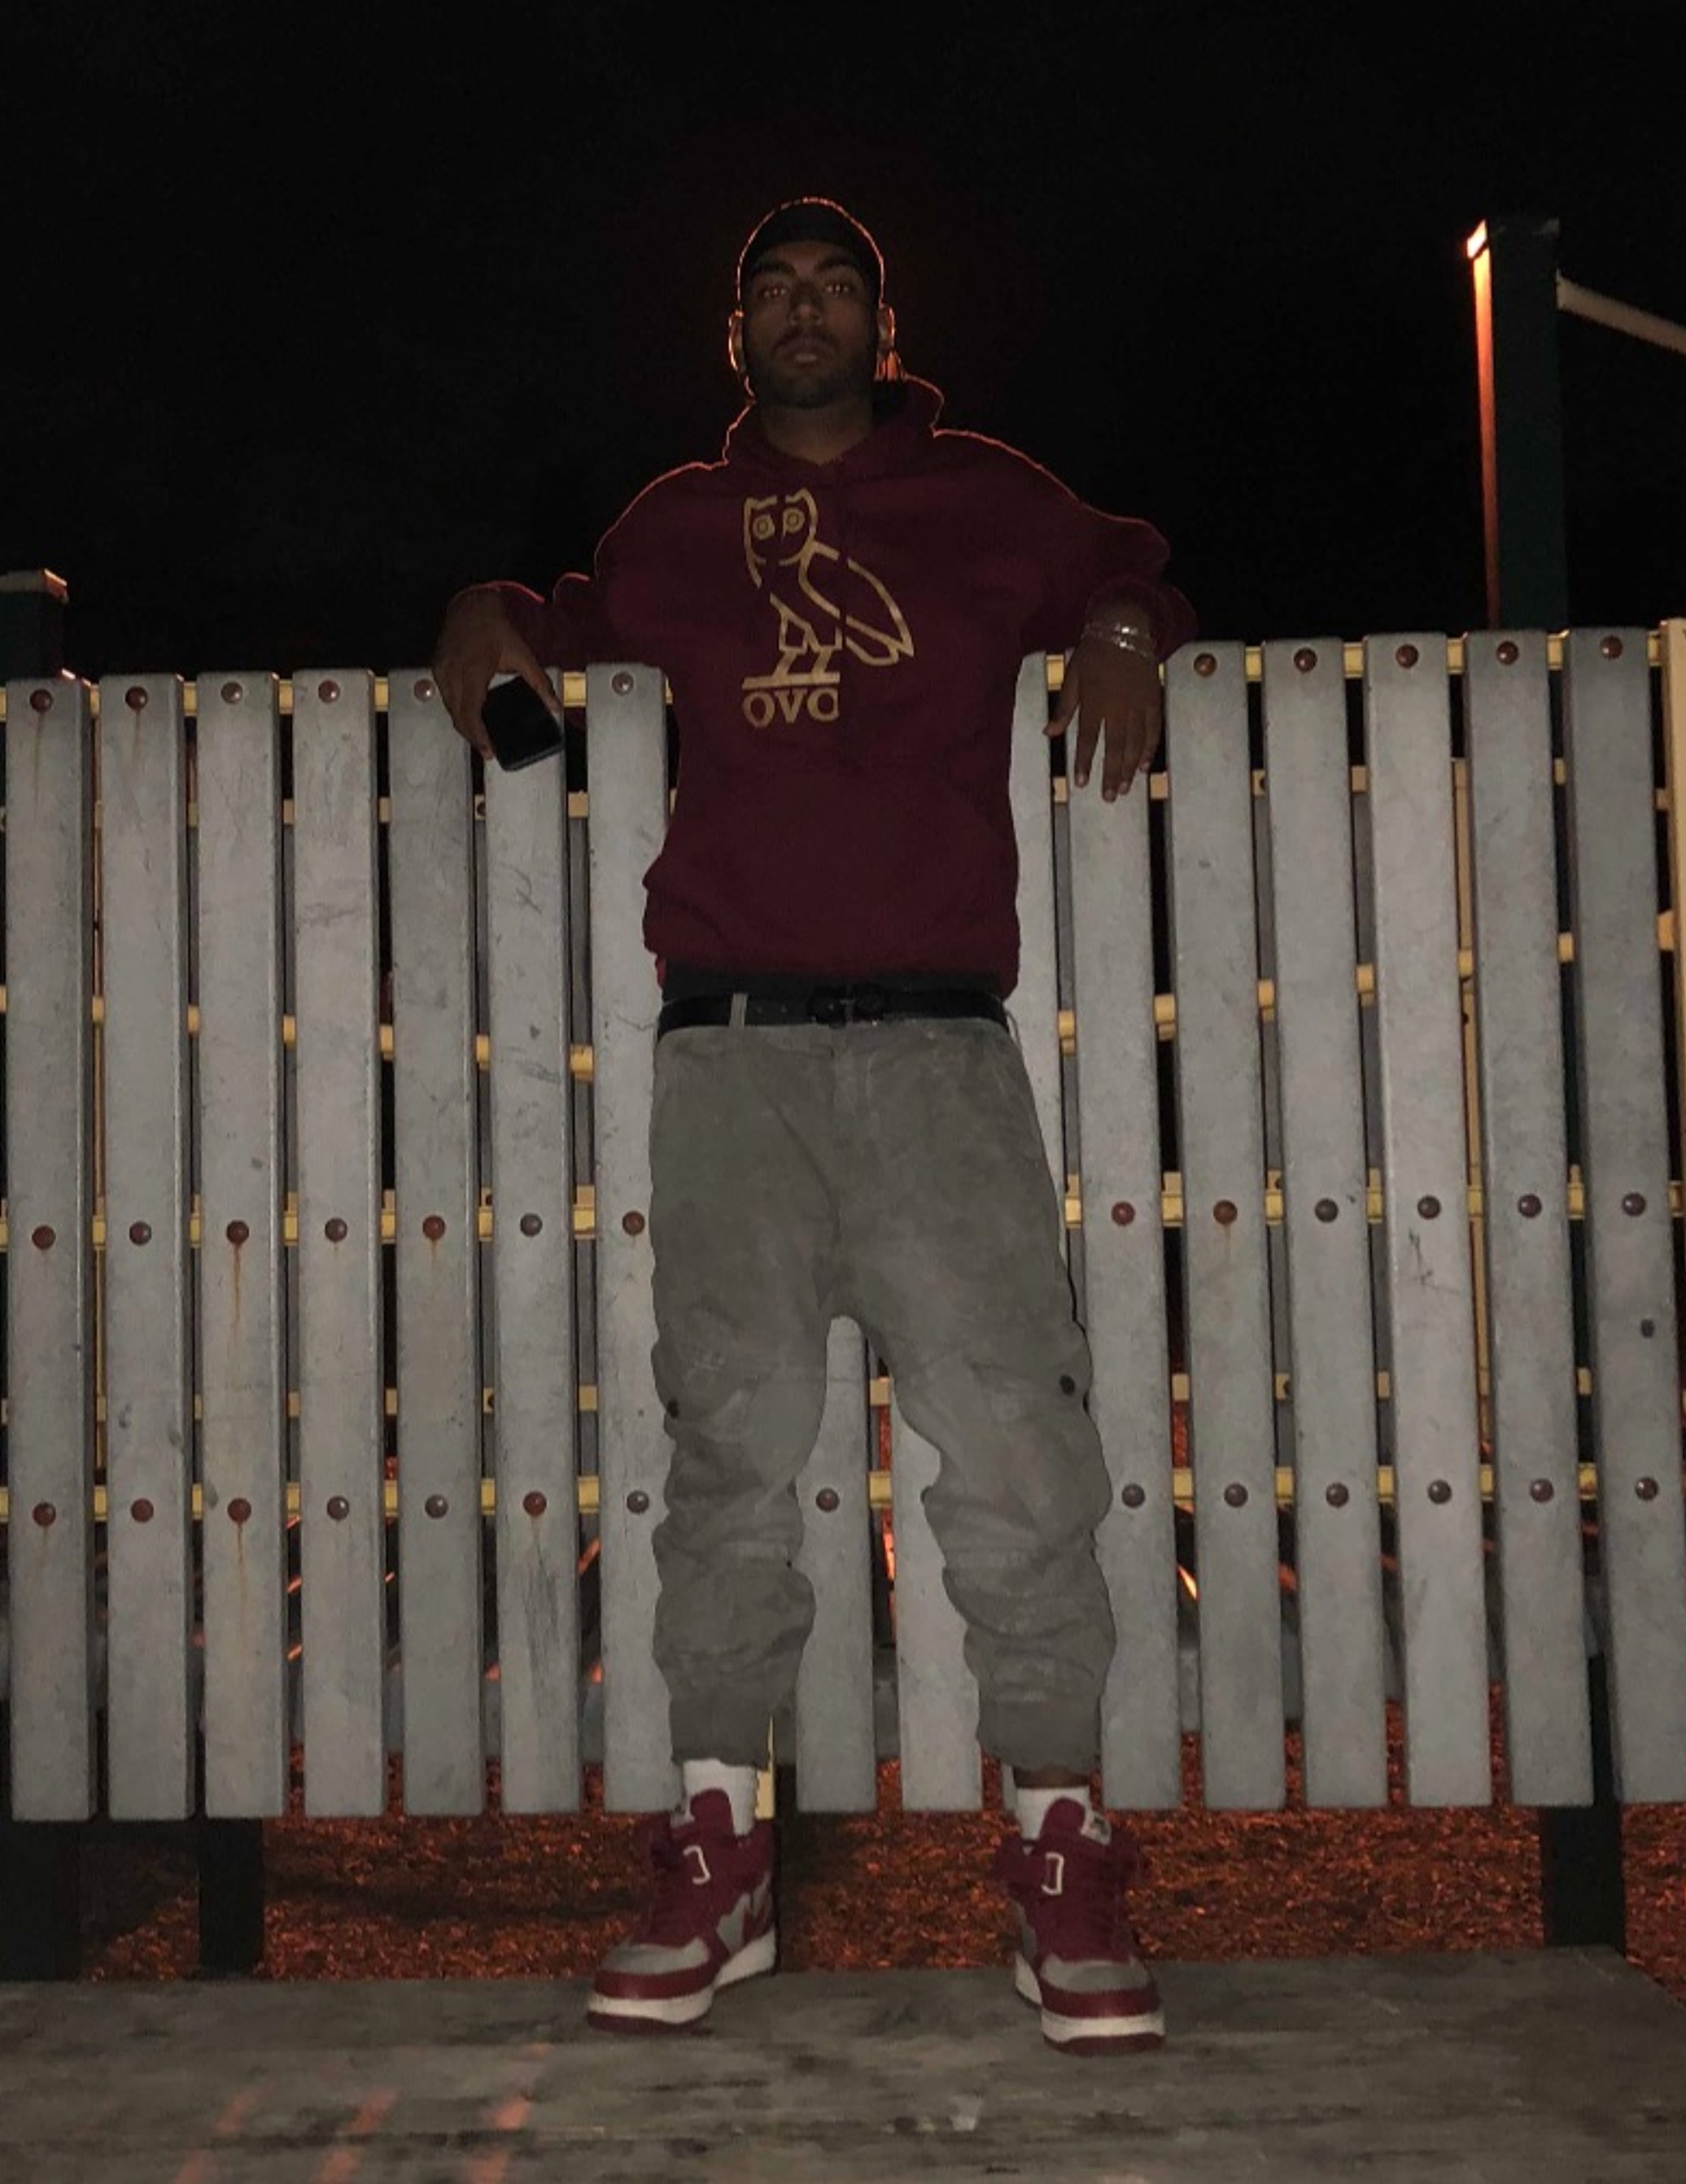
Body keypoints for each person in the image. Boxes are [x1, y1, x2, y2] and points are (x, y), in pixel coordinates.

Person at [432, 198, 1193, 2055]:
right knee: (731, 1460)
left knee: (1015, 1449)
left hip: (938, 1050)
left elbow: (1128, 561)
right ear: (735, 332)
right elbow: (565, 615)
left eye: (835, 284)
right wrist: (480, 611)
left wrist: (1118, 627)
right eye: (772, 287)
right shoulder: (677, 526)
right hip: (733, 1055)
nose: (803, 310)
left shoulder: (985, 496)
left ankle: (1059, 1849)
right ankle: (720, 1855)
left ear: (880, 321)